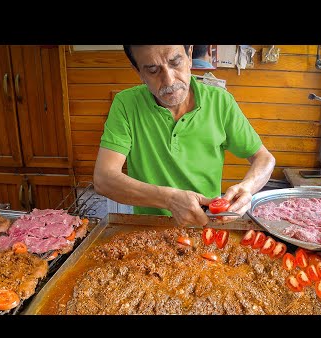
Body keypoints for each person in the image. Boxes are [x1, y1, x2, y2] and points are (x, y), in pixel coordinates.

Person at [93, 45, 275, 227]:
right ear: (138, 72)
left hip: (207, 223)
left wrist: (248, 187)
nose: (169, 80)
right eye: (153, 70)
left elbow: (264, 158)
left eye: (175, 62)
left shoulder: (220, 102)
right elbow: (104, 179)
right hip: (150, 227)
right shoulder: (126, 104)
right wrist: (169, 199)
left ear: (189, 56)